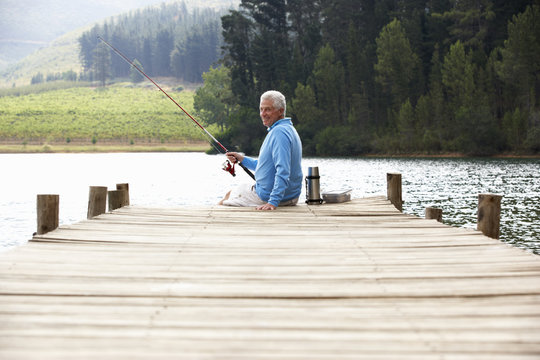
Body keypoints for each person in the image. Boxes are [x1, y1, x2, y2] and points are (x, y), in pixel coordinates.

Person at [219, 90, 303, 211]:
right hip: (289, 196)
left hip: (273, 198)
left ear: (281, 111)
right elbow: (267, 167)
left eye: (268, 109)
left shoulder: (279, 133)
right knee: (232, 193)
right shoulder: (288, 129)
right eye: (261, 109)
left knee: (228, 196)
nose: (263, 114)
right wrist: (242, 159)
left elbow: (283, 170)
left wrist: (273, 202)